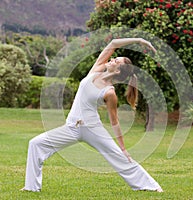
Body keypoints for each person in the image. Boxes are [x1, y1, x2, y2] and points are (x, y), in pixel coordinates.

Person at [21, 38, 163, 192]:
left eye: (116, 60)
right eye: (115, 57)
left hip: (92, 129)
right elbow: (113, 43)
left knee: (120, 157)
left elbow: (114, 121)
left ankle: (151, 187)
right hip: (72, 127)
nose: (113, 59)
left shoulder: (109, 93)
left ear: (117, 71)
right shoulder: (96, 69)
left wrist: (122, 147)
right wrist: (139, 40)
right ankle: (31, 188)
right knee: (35, 144)